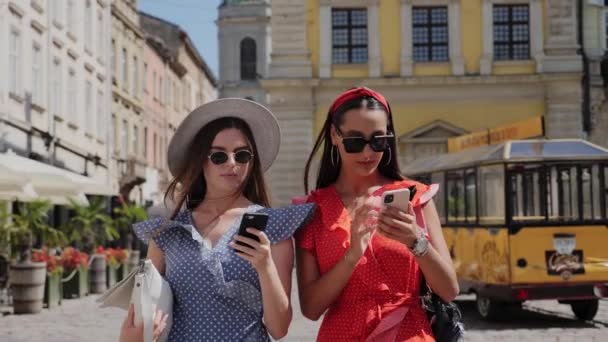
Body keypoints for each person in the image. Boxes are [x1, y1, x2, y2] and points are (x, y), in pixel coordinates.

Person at [120, 98, 315, 341]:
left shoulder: (272, 225)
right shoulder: (168, 230)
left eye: (242, 155)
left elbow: (279, 328)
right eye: (219, 156)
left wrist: (265, 266)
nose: (232, 164)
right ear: (201, 160)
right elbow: (140, 312)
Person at [295, 87, 459, 341]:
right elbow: (311, 309)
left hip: (408, 334)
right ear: (334, 136)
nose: (368, 152)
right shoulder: (313, 210)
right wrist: (351, 257)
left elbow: (449, 290)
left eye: (378, 140)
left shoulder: (416, 197)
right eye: (355, 141)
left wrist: (416, 241)